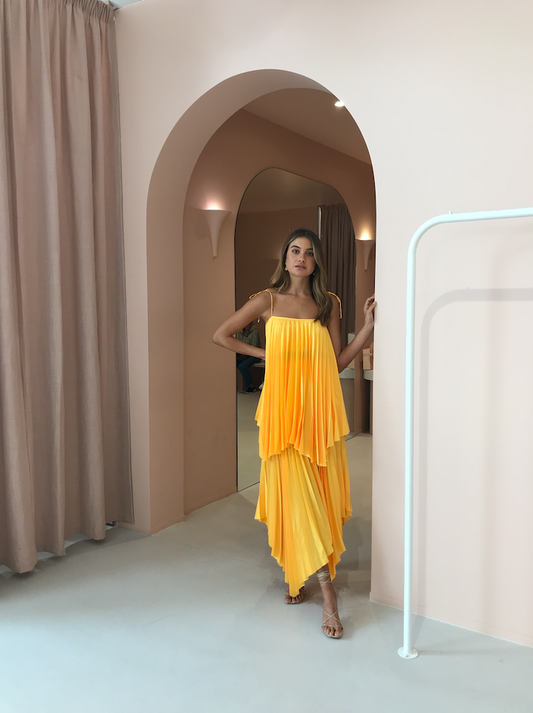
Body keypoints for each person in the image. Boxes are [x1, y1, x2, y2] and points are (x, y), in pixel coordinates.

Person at [213, 228, 376, 639]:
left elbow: (336, 362)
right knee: (297, 496)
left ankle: (297, 574)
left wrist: (367, 329)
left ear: (316, 261)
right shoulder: (266, 300)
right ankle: (328, 594)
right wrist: (265, 353)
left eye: (309, 252)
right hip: (283, 415)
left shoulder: (327, 304)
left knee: (316, 497)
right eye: (294, 251)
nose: (301, 258)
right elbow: (221, 335)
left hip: (318, 414)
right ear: (285, 259)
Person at [235, 323, 262, 392]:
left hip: (255, 355)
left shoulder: (254, 332)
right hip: (242, 354)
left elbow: (254, 347)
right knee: (233, 363)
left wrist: (244, 354)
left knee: (242, 366)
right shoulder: (239, 333)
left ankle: (251, 386)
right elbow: (237, 344)